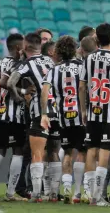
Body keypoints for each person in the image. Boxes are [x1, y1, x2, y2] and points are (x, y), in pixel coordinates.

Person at [78, 23, 110, 206]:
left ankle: (91, 193)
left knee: (91, 151)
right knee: (104, 153)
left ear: (96, 39)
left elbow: (82, 85)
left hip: (93, 112)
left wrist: (83, 110)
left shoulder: (88, 59)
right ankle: (98, 195)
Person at [6, 33, 55, 203]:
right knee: (54, 153)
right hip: (58, 111)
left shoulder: (27, 64)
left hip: (40, 112)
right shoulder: (51, 60)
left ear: (25, 47)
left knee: (37, 153)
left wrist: (19, 96)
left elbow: (10, 83)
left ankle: (36, 193)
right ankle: (53, 193)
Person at [0, 33, 31, 202]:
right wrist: (25, 92)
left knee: (0, 149)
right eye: (24, 46)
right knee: (18, 151)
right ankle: (11, 193)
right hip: (14, 116)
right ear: (18, 48)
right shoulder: (17, 64)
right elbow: (8, 85)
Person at [40, 36, 86, 204]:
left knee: (66, 152)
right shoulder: (82, 67)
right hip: (81, 117)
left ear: (59, 51)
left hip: (64, 117)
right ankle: (79, 192)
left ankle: (66, 189)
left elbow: (45, 91)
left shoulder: (54, 70)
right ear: (74, 49)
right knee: (82, 152)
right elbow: (85, 88)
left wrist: (44, 112)